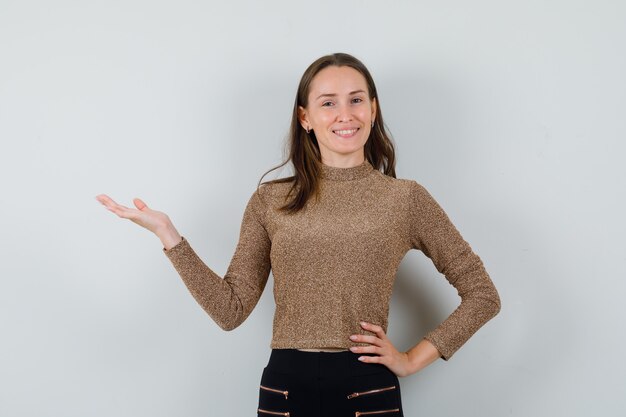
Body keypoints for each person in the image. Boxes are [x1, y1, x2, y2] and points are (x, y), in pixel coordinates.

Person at [96, 52, 501, 417]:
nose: (345, 114)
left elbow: (483, 294)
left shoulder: (405, 199)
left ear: (373, 110)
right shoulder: (270, 201)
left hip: (367, 390)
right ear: (305, 117)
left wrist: (412, 359)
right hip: (286, 390)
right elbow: (230, 310)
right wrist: (169, 236)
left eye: (356, 100)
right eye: (328, 103)